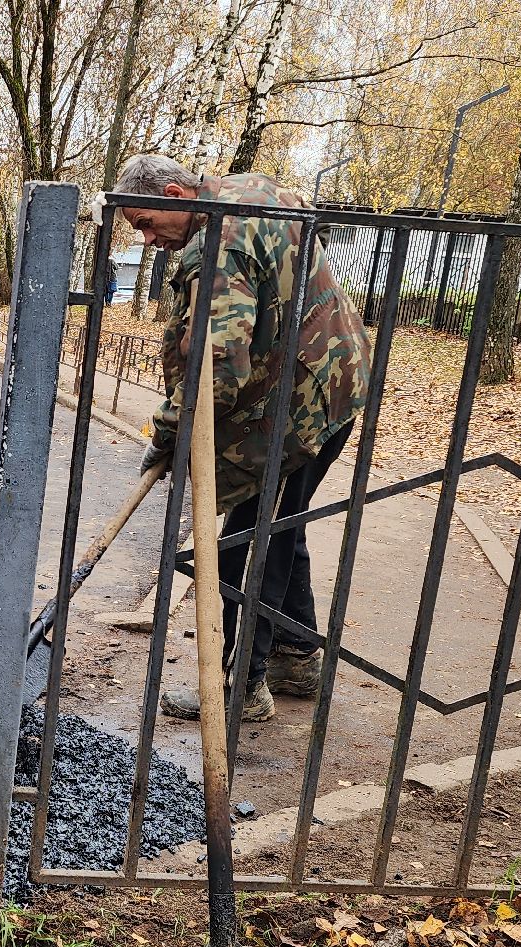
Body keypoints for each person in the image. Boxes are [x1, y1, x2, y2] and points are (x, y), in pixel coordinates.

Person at [113, 153, 370, 722]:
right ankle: (297, 654)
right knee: (280, 522)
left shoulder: (218, 250)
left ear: (178, 197)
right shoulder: (246, 189)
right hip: (330, 378)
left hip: (299, 409)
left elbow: (219, 370)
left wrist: (166, 429)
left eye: (147, 223)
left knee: (246, 542)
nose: (149, 239)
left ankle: (241, 687)